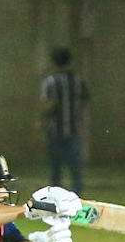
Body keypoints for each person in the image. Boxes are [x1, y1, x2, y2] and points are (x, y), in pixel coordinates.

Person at [39, 47, 90, 195]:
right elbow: (85, 99)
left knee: (55, 165)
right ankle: (77, 193)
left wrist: (42, 120)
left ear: (54, 62)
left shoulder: (50, 81)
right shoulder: (78, 81)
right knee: (75, 165)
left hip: (55, 129)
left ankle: (56, 194)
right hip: (74, 128)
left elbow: (49, 105)